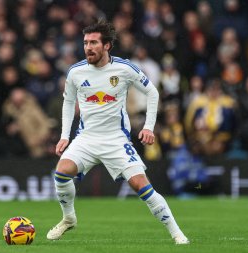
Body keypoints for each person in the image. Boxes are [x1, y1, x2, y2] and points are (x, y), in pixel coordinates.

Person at [47, 20, 189, 244]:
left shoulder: (124, 68)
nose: (88, 47)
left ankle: (177, 234)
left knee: (141, 185)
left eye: (94, 42)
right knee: (62, 172)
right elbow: (68, 103)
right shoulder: (75, 72)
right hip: (86, 138)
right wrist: (65, 136)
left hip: (116, 140)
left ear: (106, 46)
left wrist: (148, 127)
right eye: (85, 43)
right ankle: (69, 219)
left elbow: (152, 93)